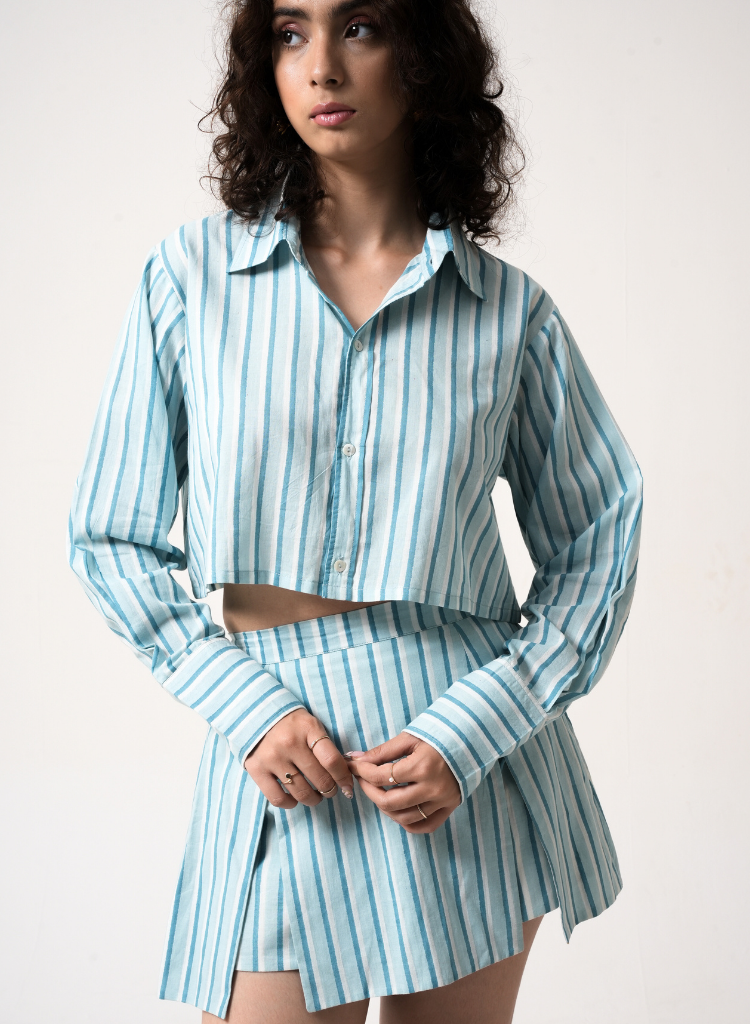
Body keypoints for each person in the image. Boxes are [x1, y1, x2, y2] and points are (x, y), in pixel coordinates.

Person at [67, 0, 643, 1021]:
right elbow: (111, 535)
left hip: (459, 759)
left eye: (361, 27)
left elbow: (600, 534)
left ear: (424, 58)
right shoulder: (190, 280)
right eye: (291, 33)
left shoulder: (510, 313)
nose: (322, 66)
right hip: (281, 749)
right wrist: (245, 706)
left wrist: (478, 727)